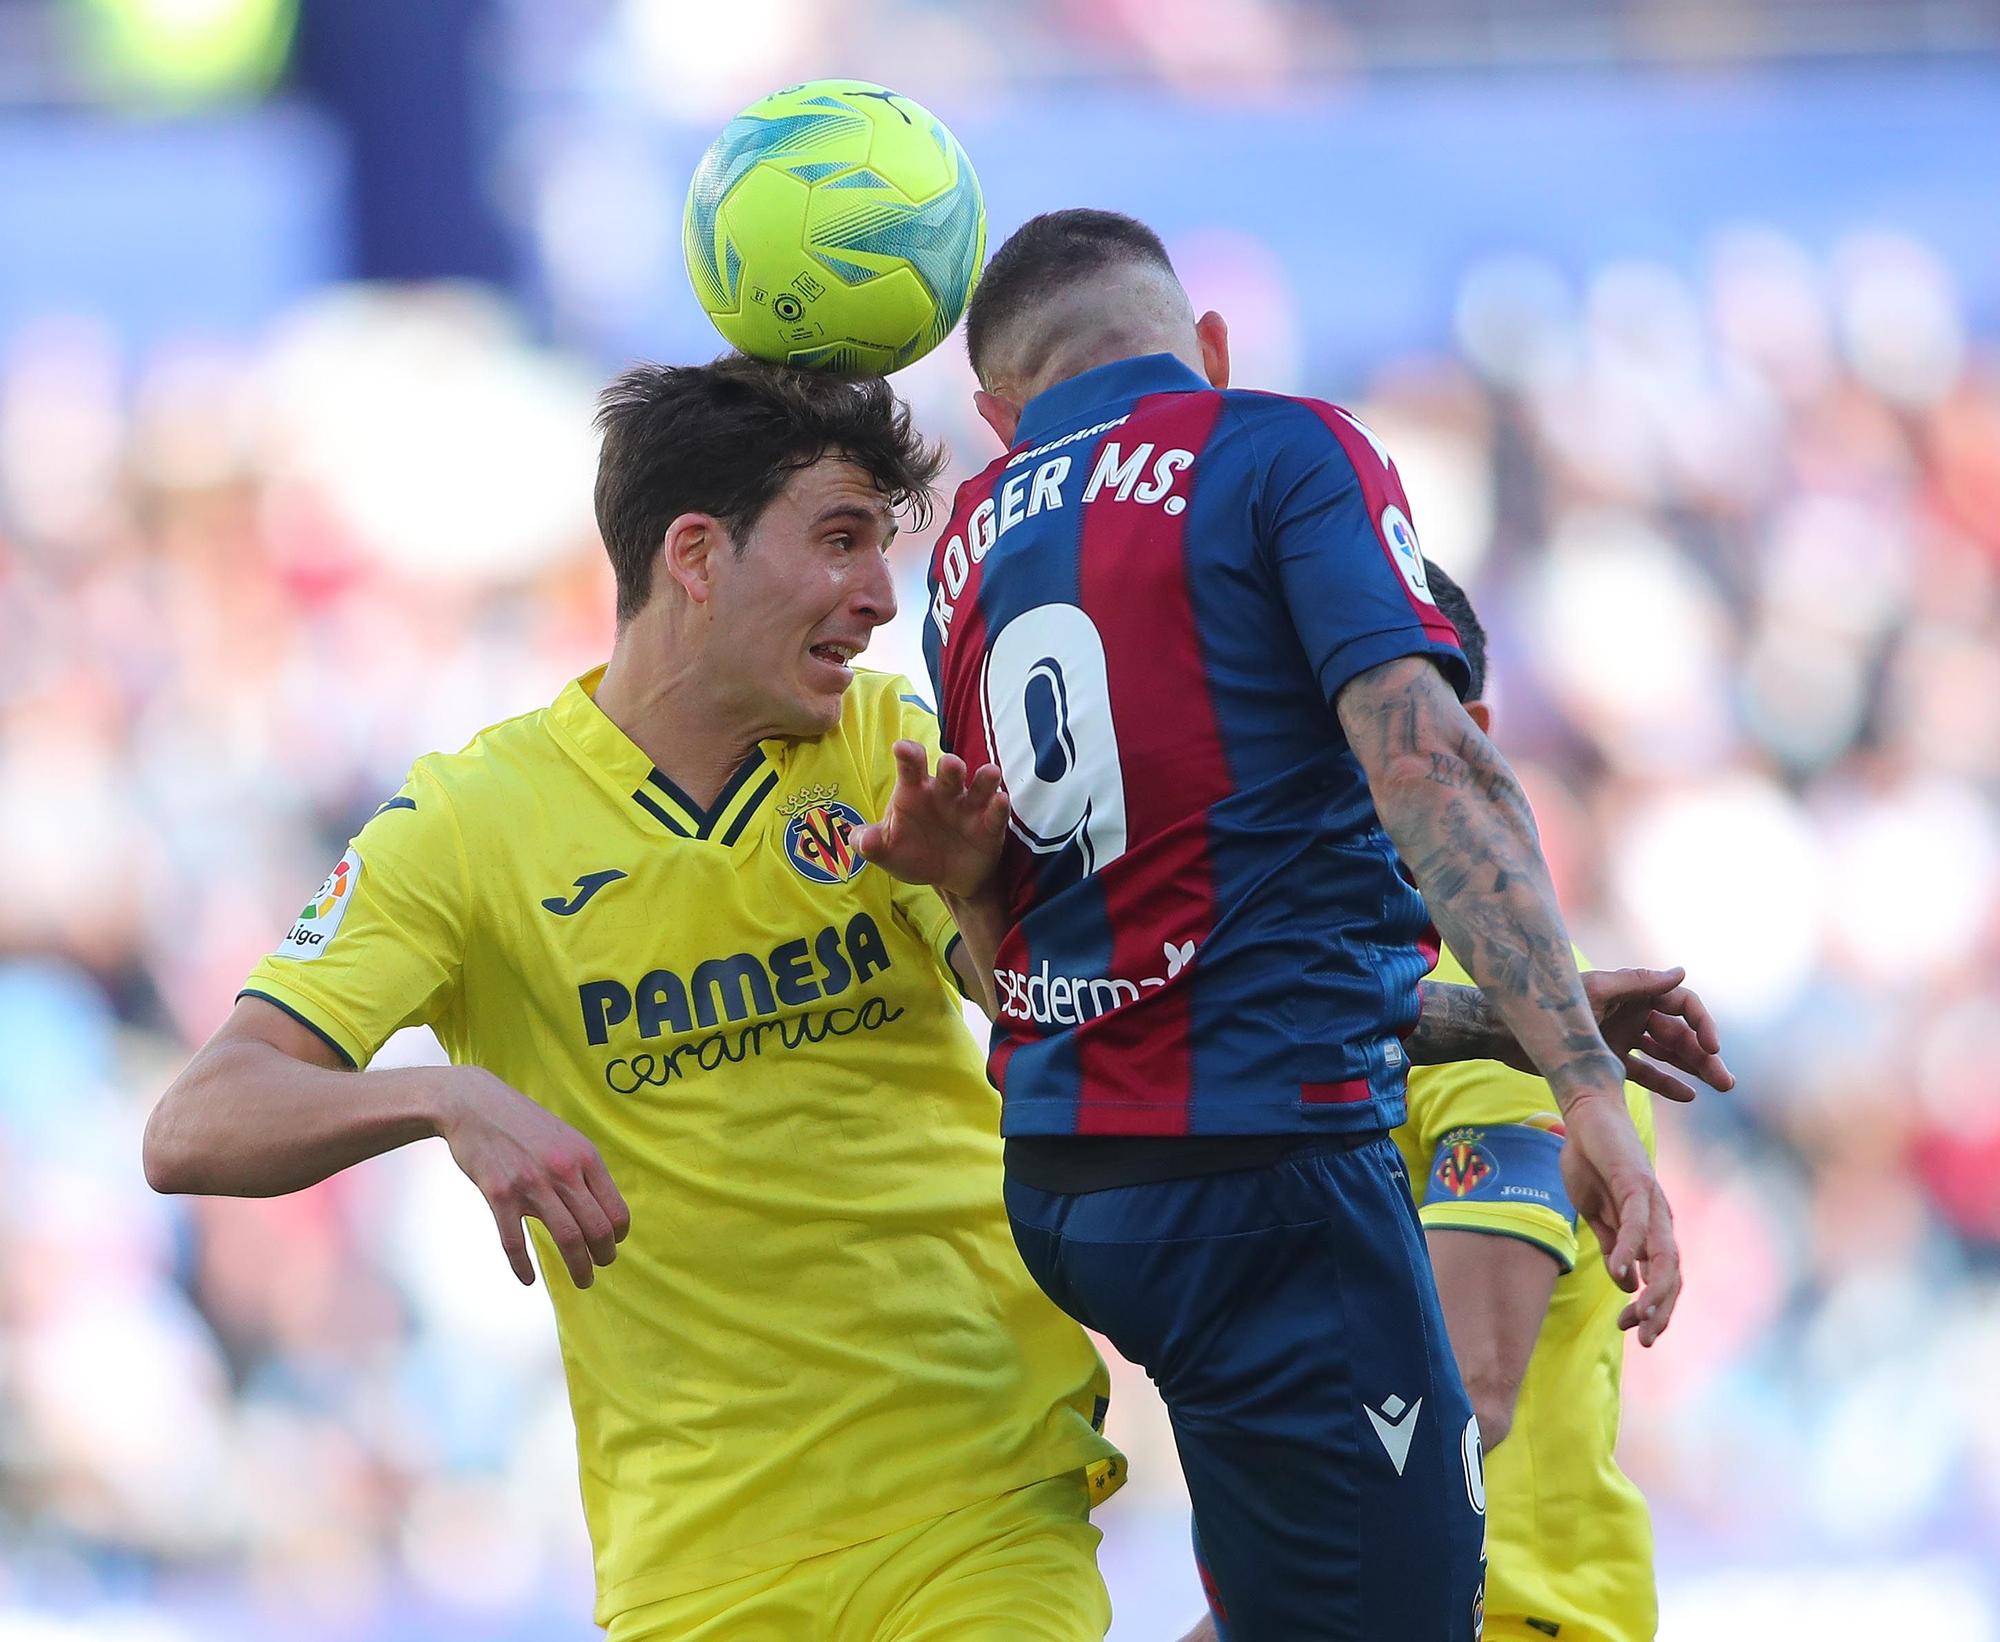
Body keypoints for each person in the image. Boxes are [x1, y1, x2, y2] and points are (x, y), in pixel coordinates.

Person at [142, 358, 1127, 1642]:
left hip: (977, 1492)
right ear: (696, 555)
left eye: (881, 550)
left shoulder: (893, 744)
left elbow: (1066, 1042)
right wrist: (439, 1097)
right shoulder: (470, 824)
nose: (880, 597)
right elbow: (194, 1125)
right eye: (838, 541)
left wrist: (978, 891)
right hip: (697, 1560)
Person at [867, 208, 1730, 1642]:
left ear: (998, 415)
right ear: (1209, 348)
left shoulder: (964, 551)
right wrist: (1585, 1088)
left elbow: (1074, 933)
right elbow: (1426, 761)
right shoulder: (1279, 446)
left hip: (1076, 1179)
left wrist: (1515, 1014)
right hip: (1261, 1160)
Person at [1174, 562, 1673, 1642]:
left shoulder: (1510, 1022)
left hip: (1504, 1613)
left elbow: (1462, 1397)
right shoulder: (1302, 985)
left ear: (1469, 740)